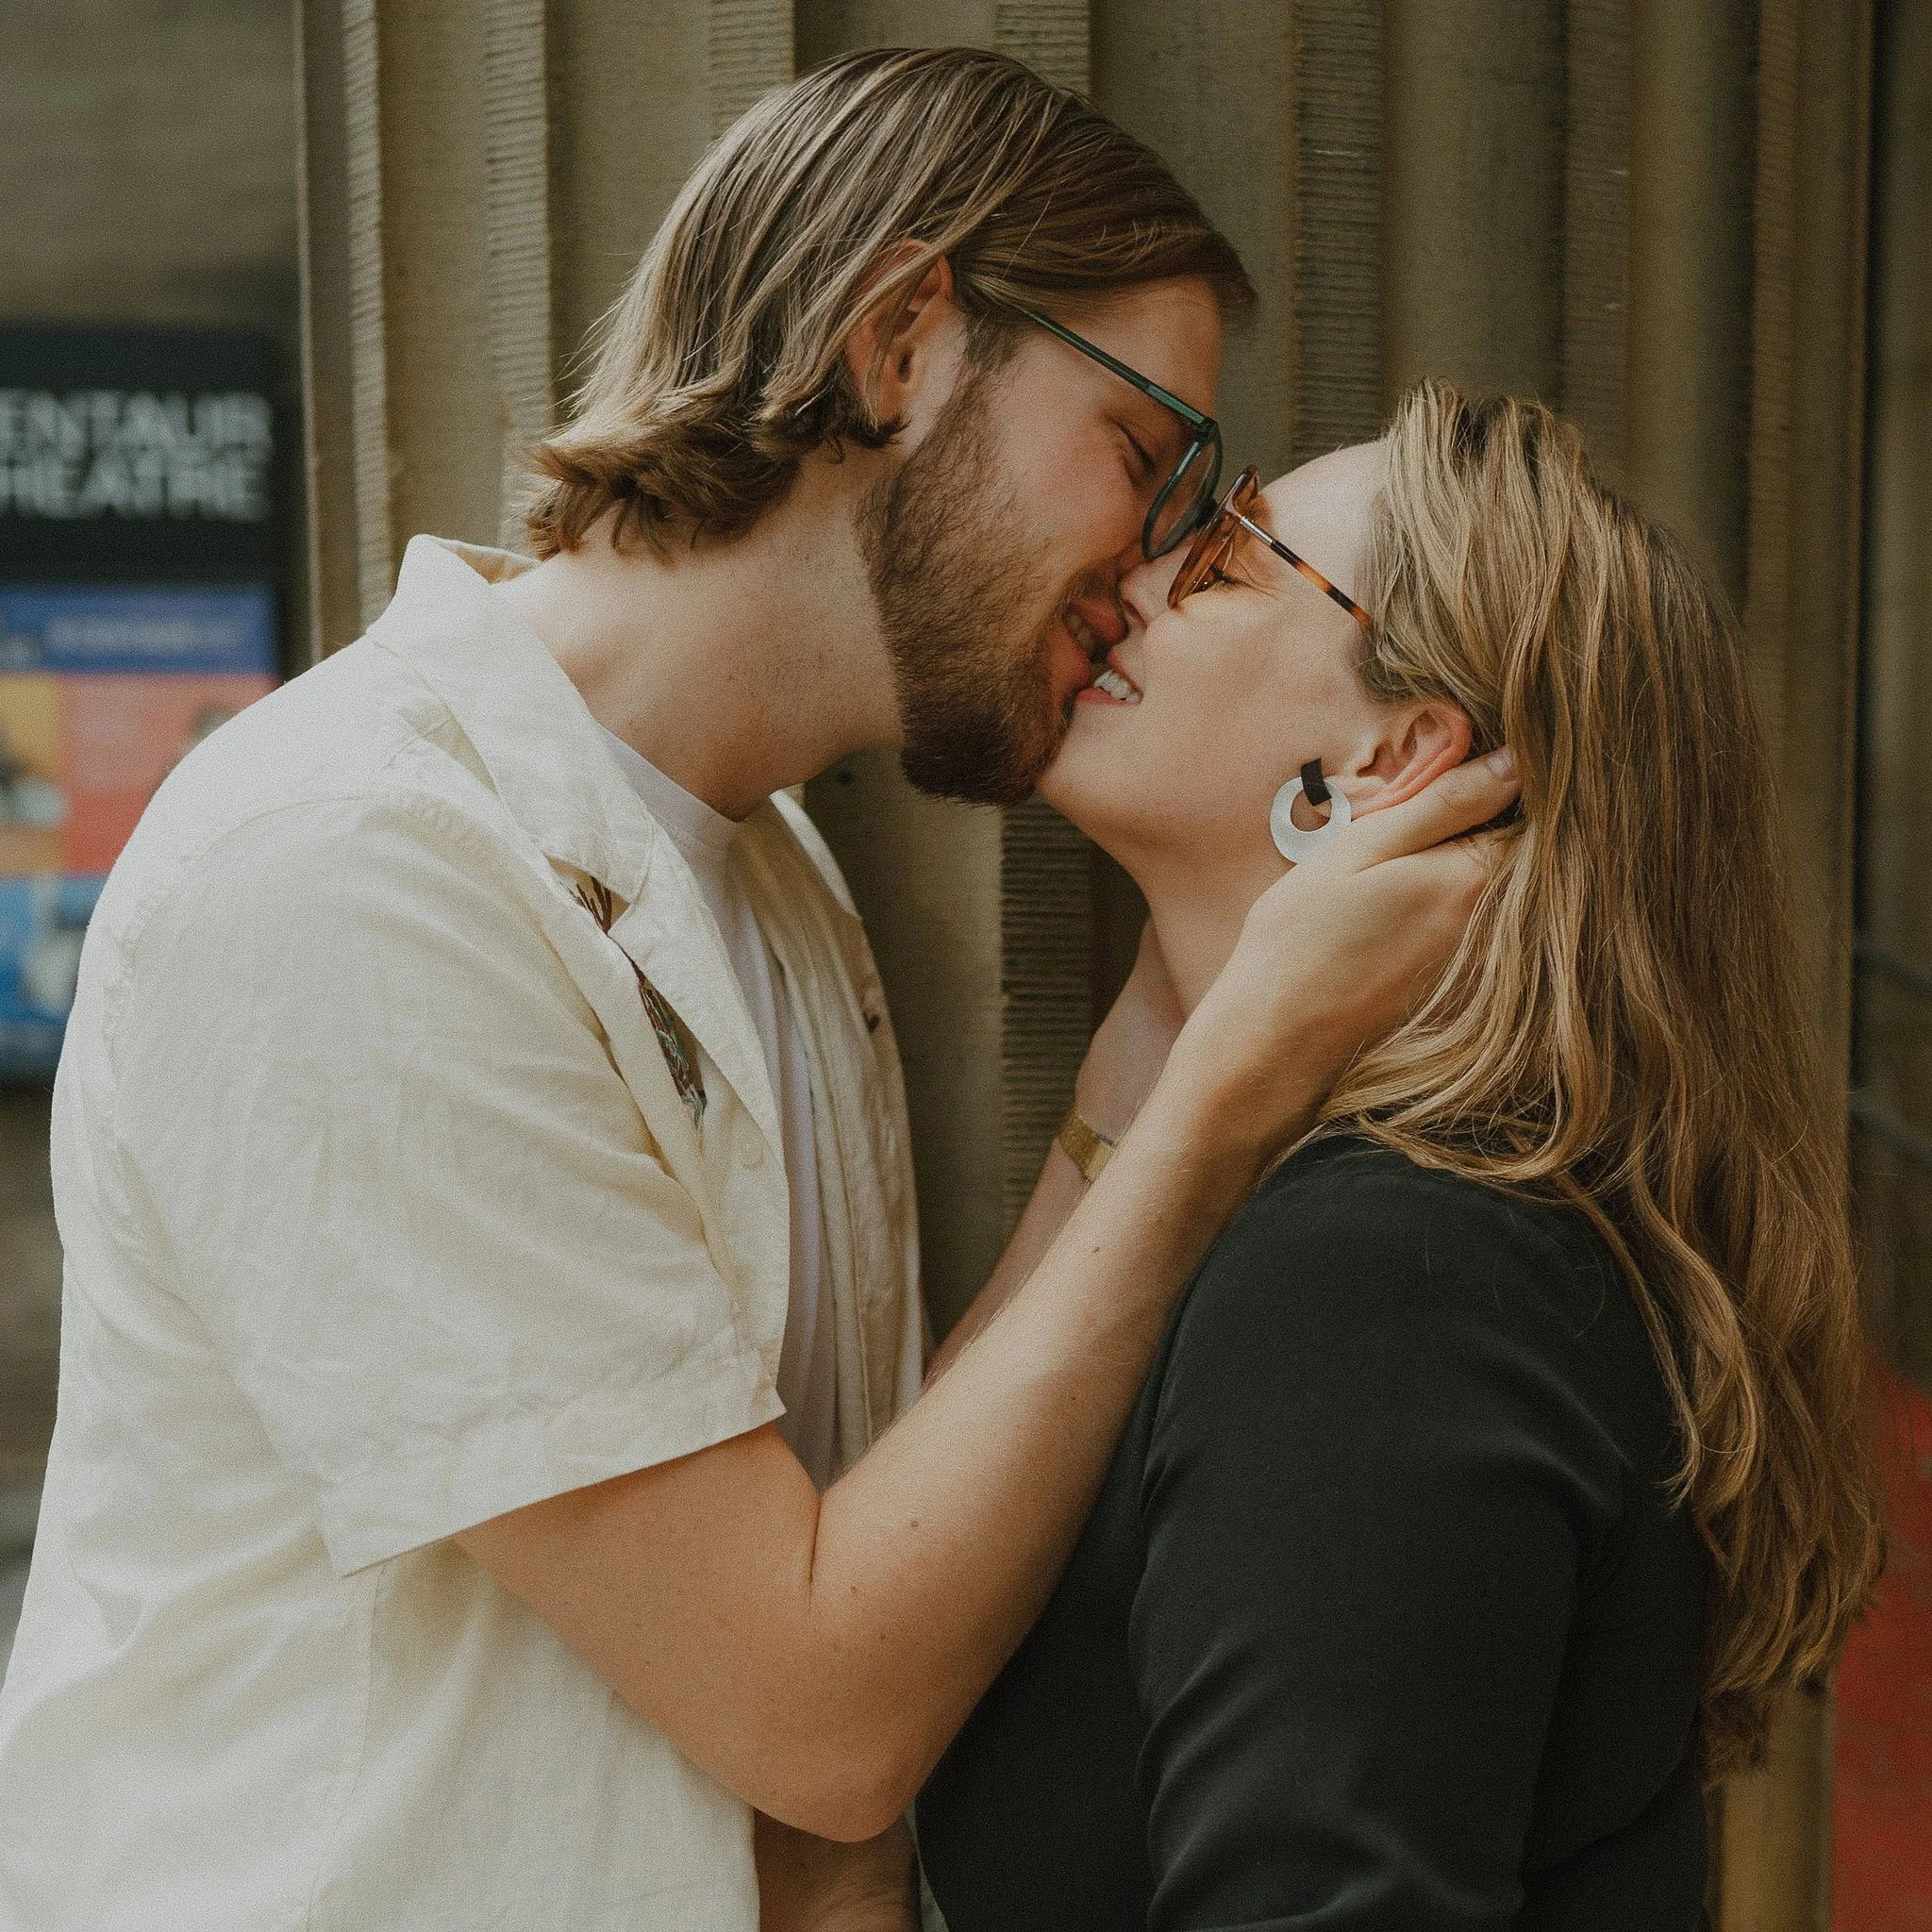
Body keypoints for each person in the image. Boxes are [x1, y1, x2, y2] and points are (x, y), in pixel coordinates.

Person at [0, 50, 1517, 1932]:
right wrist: (1231, 1090)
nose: (1147, 570)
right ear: (901, 339)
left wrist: (1161, 1023)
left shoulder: (771, 875)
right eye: (1142, 457)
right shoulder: (354, 869)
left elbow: (858, 1577)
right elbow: (816, 1709)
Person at [916, 384, 1885, 1930]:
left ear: (1393, 758)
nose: (1135, 577)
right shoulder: (1425, 1227)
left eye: (1229, 551)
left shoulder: (1389, 1279)